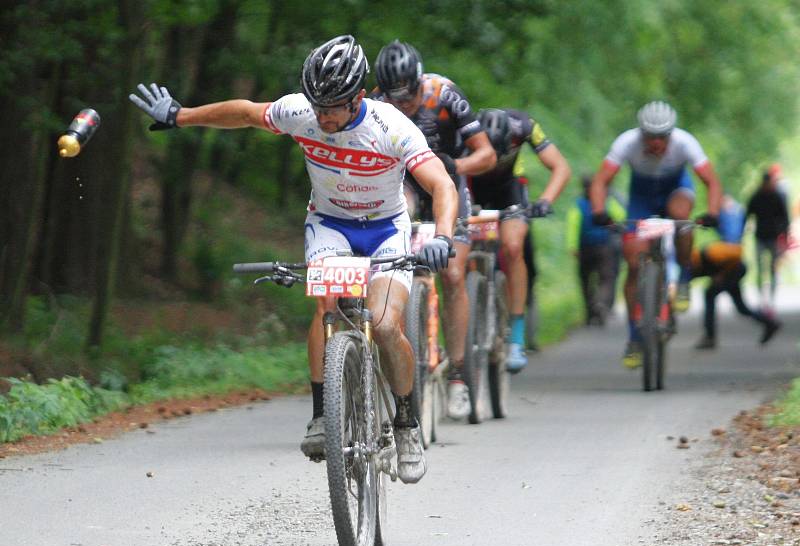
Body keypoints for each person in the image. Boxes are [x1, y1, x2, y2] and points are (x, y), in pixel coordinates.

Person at [129, 35, 460, 484]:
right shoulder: (301, 112)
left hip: (386, 230)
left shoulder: (391, 127)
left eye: (333, 108)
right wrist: (179, 115)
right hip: (330, 224)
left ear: (358, 98)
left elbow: (441, 184)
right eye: (316, 105)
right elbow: (246, 112)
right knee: (327, 307)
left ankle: (405, 423)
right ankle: (323, 415)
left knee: (384, 326)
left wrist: (441, 236)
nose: (322, 117)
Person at [372, 40, 496, 417]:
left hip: (447, 182)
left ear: (419, 80)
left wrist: (454, 168)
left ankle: (458, 372)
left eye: (408, 97)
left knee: (454, 272)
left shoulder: (445, 95)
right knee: (394, 253)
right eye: (395, 100)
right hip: (405, 187)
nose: (403, 106)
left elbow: (486, 154)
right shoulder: (376, 104)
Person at [590, 100, 722, 369]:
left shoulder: (685, 142)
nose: (657, 143)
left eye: (663, 137)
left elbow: (712, 182)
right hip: (642, 197)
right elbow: (601, 180)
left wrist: (713, 211)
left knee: (682, 215)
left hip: (676, 190)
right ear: (641, 133)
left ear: (671, 133)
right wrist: (598, 210)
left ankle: (683, 278)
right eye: (650, 137)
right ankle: (634, 337)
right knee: (634, 262)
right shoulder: (627, 142)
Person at [470, 108, 570, 371]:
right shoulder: (464, 128)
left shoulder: (524, 126)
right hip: (472, 186)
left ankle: (516, 335)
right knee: (461, 251)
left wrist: (546, 200)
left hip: (509, 189)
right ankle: (470, 316)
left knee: (514, 247)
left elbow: (560, 167)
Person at [691, 241, 781, 350]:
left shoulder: (710, 253)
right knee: (741, 308)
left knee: (709, 295)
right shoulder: (694, 267)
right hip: (731, 273)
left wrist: (722, 274)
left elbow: (737, 253)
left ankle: (710, 337)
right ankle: (769, 324)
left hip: (736, 270)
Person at [566, 175, 625, 326]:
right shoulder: (606, 202)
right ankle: (600, 302)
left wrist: (572, 247)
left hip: (584, 248)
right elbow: (621, 217)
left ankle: (590, 311)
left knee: (585, 280)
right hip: (604, 246)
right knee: (606, 278)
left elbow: (573, 226)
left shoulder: (578, 205)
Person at [746, 168, 790, 309]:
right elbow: (747, 214)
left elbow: (784, 217)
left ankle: (771, 299)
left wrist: (784, 235)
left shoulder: (776, 196)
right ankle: (761, 299)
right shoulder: (757, 197)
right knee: (760, 268)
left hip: (773, 237)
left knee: (773, 269)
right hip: (760, 237)